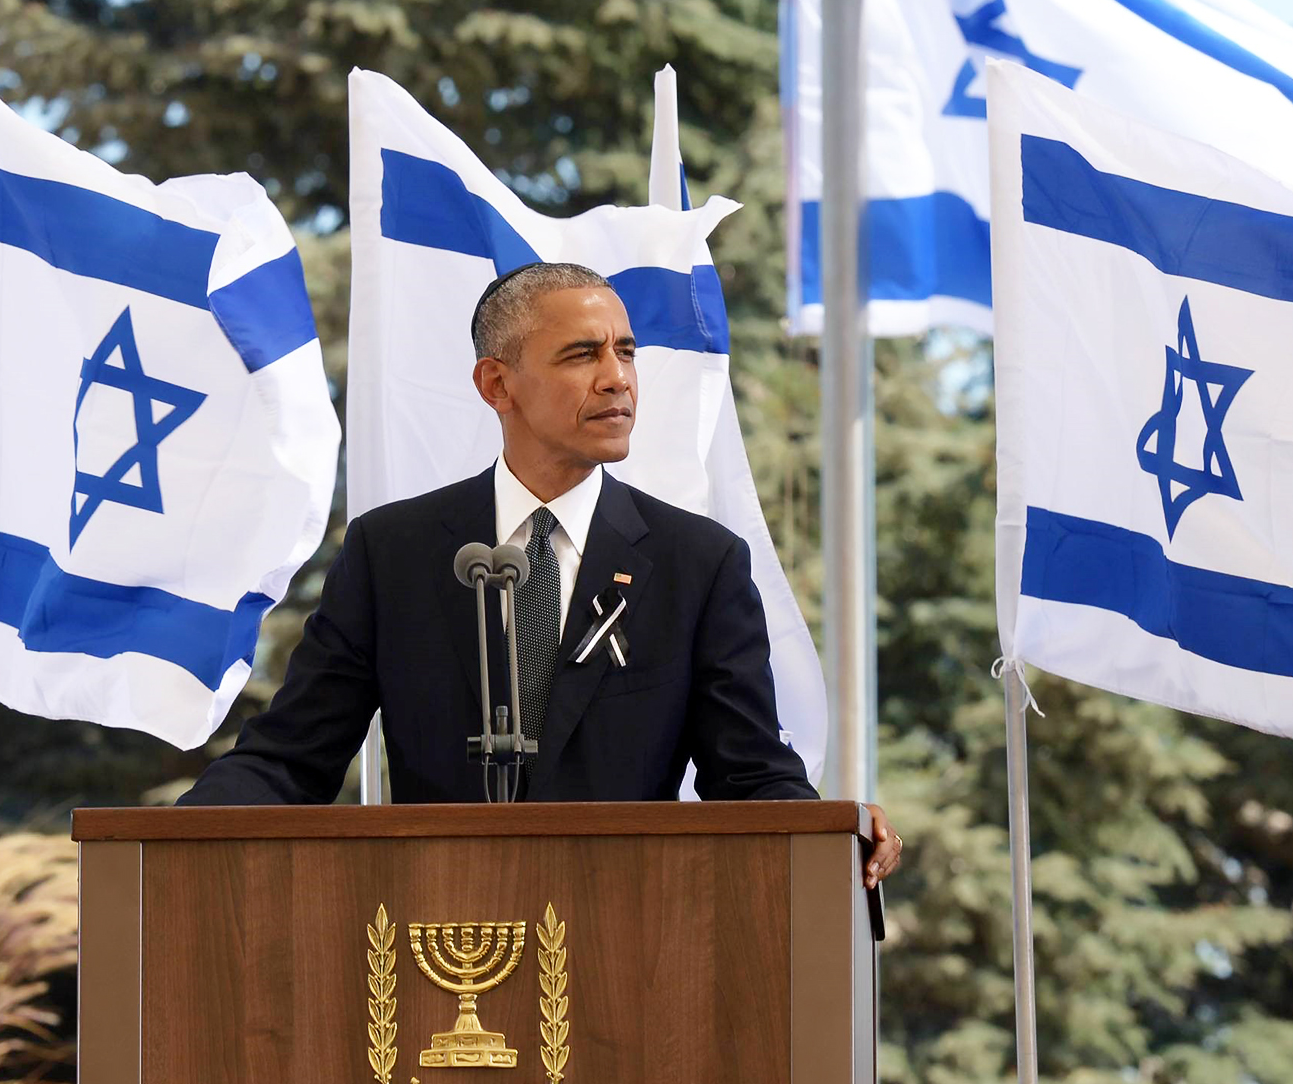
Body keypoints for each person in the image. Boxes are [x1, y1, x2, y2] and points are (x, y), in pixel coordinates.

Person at [182, 262, 903, 886]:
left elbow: (748, 775)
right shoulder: (391, 553)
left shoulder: (698, 563)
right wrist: (161, 842)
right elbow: (290, 759)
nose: (618, 379)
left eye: (627, 351)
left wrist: (833, 827)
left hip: (630, 946)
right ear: (498, 384)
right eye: (583, 354)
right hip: (432, 936)